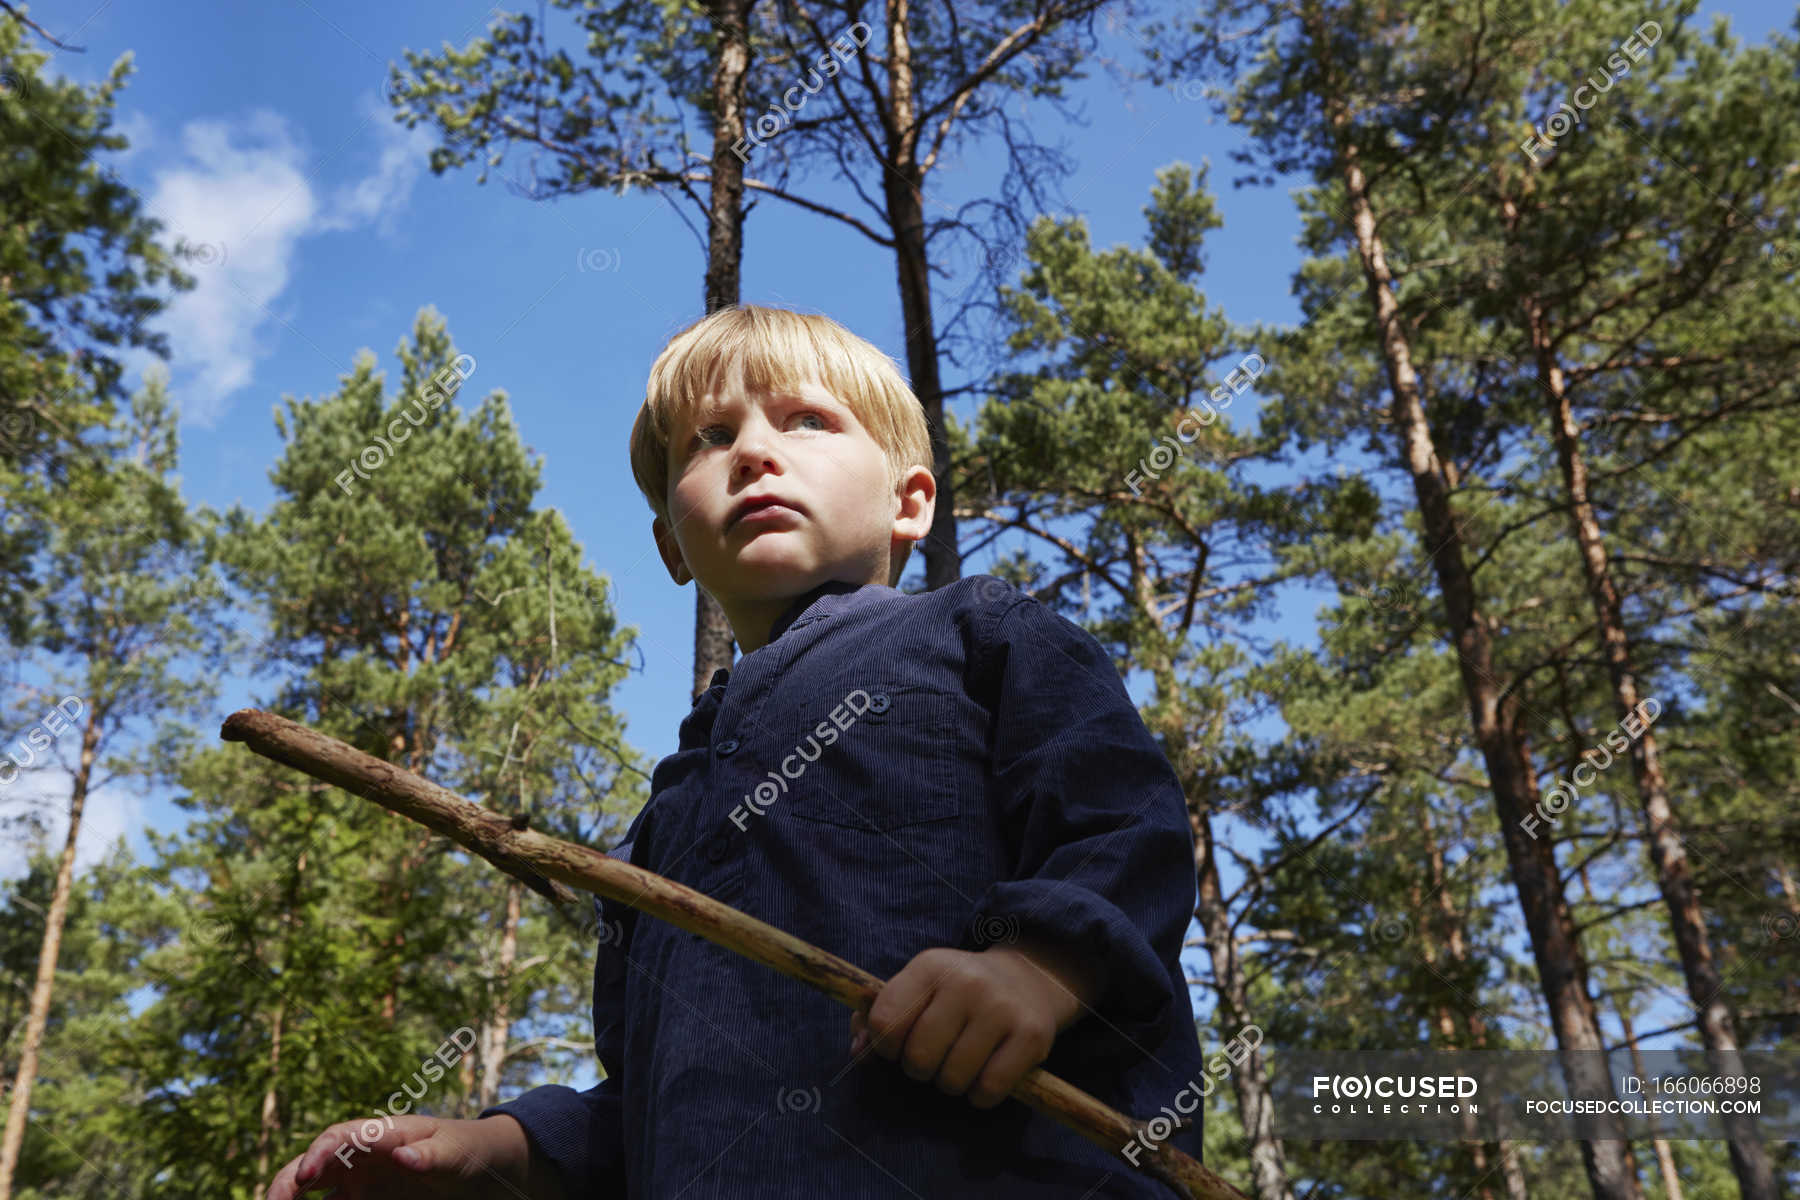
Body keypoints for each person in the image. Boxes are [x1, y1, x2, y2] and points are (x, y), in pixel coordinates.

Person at [267, 304, 1206, 1199]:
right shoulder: (663, 817)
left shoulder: (980, 634)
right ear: (672, 544)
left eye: (807, 421)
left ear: (910, 502)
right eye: (708, 440)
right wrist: (509, 1149)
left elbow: (1127, 822)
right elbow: (653, 1095)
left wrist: (1037, 969)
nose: (754, 451)